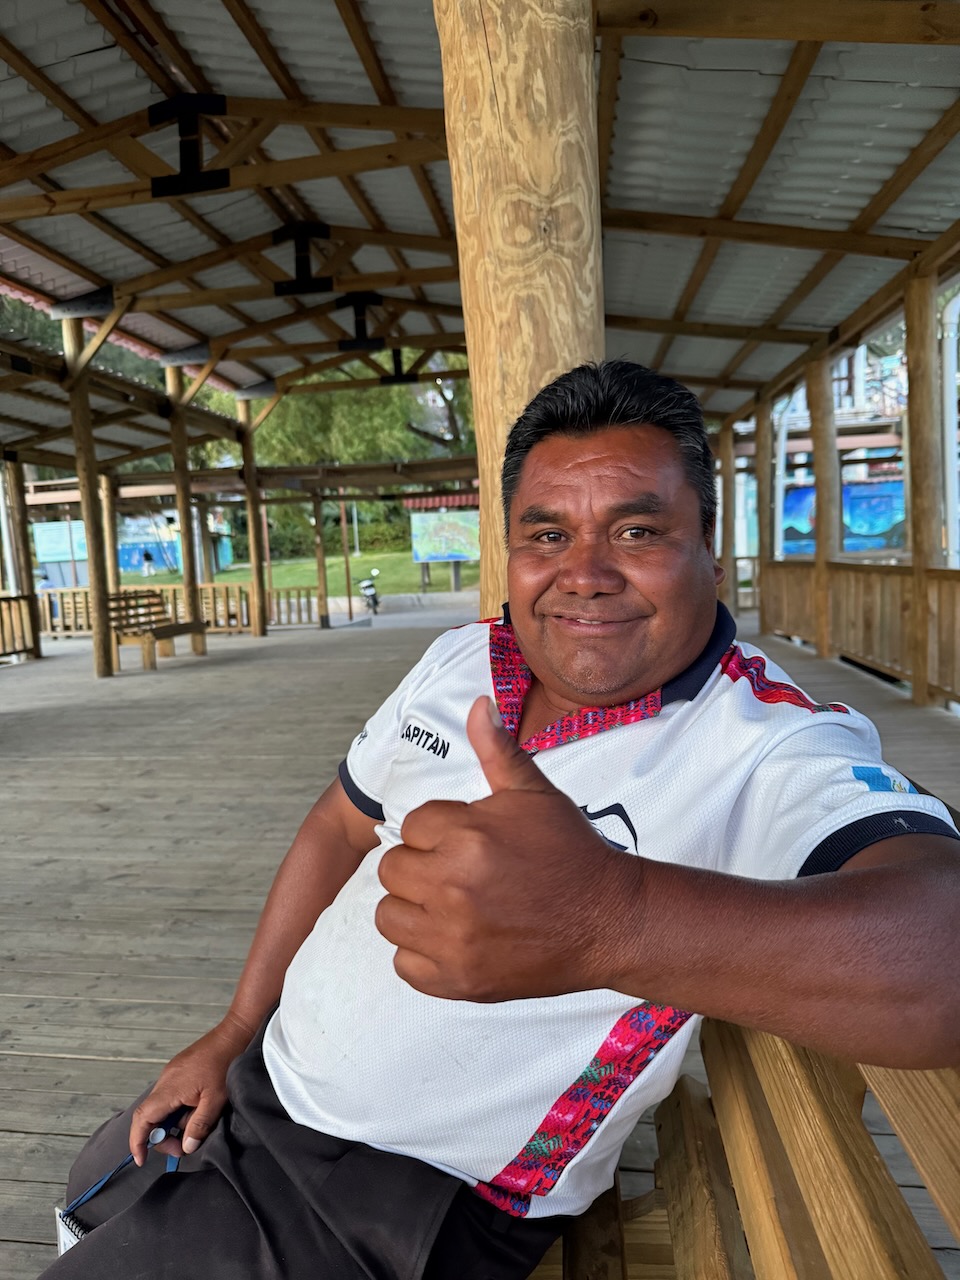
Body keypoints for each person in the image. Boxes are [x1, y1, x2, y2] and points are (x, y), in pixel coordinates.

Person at [44, 361, 960, 1280]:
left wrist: (613, 920)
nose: (584, 575)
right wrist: (236, 1027)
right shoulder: (463, 662)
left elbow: (943, 949)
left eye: (638, 531)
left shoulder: (765, 742)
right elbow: (340, 824)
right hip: (266, 1088)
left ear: (713, 554)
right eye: (548, 534)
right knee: (95, 1182)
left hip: (402, 1202)